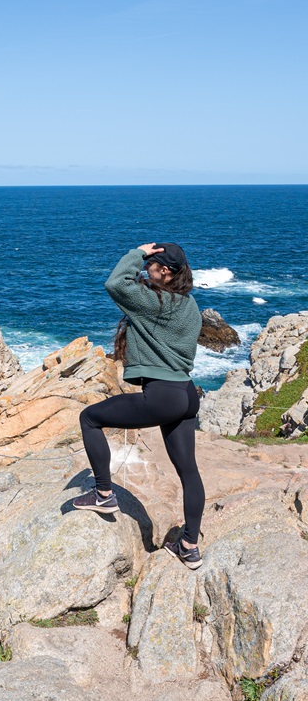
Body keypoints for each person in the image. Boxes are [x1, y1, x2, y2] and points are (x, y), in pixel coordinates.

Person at [72, 242, 205, 569]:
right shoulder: (190, 305)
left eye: (151, 265)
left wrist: (137, 252)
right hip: (186, 394)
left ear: (166, 272)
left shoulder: (153, 302)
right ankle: (189, 544)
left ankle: (103, 495)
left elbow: (115, 283)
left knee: (89, 419)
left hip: (162, 395)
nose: (146, 269)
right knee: (189, 471)